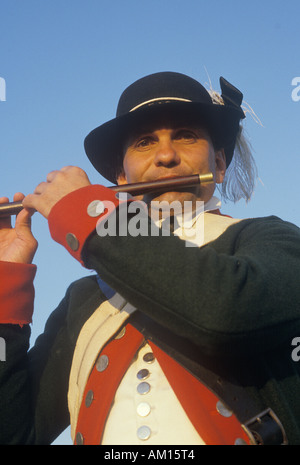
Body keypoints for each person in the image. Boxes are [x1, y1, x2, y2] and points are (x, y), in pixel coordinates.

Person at [0, 71, 300, 446]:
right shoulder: (84, 297)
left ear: (220, 164)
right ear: (122, 180)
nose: (166, 156)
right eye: (144, 142)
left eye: (186, 135)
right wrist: (6, 279)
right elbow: (12, 432)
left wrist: (88, 214)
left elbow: (224, 311)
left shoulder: (273, 239)